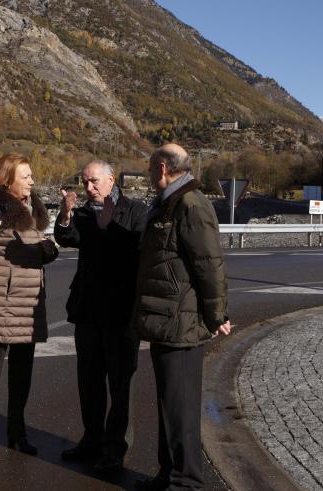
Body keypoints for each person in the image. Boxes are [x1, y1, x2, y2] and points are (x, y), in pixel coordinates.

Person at [132, 143, 231, 491]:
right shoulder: (168, 203)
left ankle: (186, 482)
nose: (146, 174)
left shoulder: (191, 204)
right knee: (168, 407)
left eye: (149, 168)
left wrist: (217, 314)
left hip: (182, 320)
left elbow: (209, 266)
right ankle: (168, 475)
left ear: (162, 168)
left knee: (182, 409)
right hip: (166, 318)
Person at [54, 160, 148, 472]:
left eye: (94, 182)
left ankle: (115, 450)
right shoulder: (83, 212)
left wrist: (108, 227)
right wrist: (65, 216)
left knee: (120, 386)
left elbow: (139, 250)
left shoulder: (135, 211)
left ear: (111, 180)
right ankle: (91, 440)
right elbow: (66, 238)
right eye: (84, 183)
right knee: (88, 380)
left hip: (120, 314)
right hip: (88, 310)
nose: (88, 188)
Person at [0, 153, 58, 461]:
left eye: (32, 176)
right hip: (0, 298)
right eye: (26, 176)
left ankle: (17, 433)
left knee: (23, 374)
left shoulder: (35, 207)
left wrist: (48, 250)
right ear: (7, 181)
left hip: (29, 299)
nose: (32, 181)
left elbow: (36, 246)